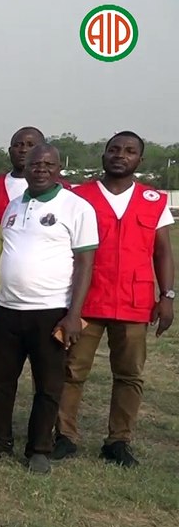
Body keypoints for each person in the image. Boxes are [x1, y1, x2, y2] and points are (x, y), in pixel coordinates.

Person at [0, 145, 97, 474]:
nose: (40, 169)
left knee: (48, 384)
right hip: (7, 307)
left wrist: (74, 314)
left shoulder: (76, 207)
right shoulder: (14, 205)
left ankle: (39, 448)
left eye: (48, 164)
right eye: (34, 164)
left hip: (51, 310)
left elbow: (85, 263)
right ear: (24, 167)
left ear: (58, 168)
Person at [58, 132, 174, 467]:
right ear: (103, 155)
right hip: (87, 299)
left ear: (140, 159)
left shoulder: (154, 199)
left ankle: (118, 441)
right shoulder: (80, 196)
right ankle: (65, 435)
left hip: (134, 301)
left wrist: (166, 296)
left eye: (129, 151)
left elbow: (163, 252)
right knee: (72, 370)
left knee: (129, 374)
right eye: (113, 149)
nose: (120, 155)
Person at [0, 127, 46, 221]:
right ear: (10, 151)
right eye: (18, 145)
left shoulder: (60, 189)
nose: (23, 150)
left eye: (30, 145)